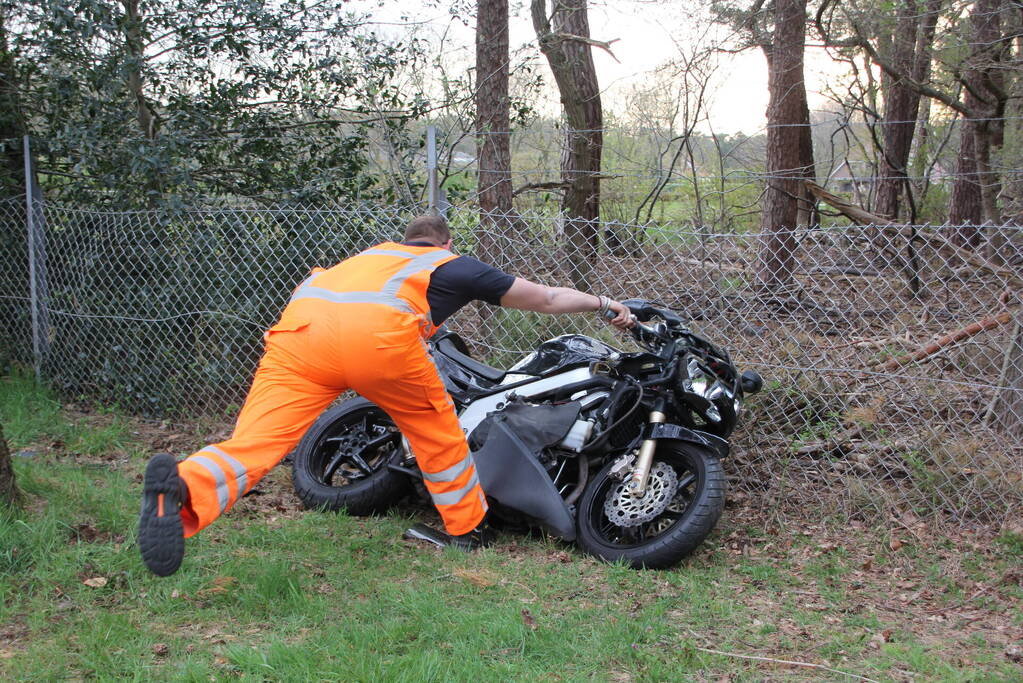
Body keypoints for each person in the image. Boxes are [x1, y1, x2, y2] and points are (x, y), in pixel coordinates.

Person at [138, 215, 634, 576]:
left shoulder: (366, 259)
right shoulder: (449, 264)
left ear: (404, 239)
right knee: (436, 433)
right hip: (376, 341)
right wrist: (605, 302)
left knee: (257, 441)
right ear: (445, 242)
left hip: (299, 336)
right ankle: (466, 528)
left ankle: (184, 488)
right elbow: (545, 298)